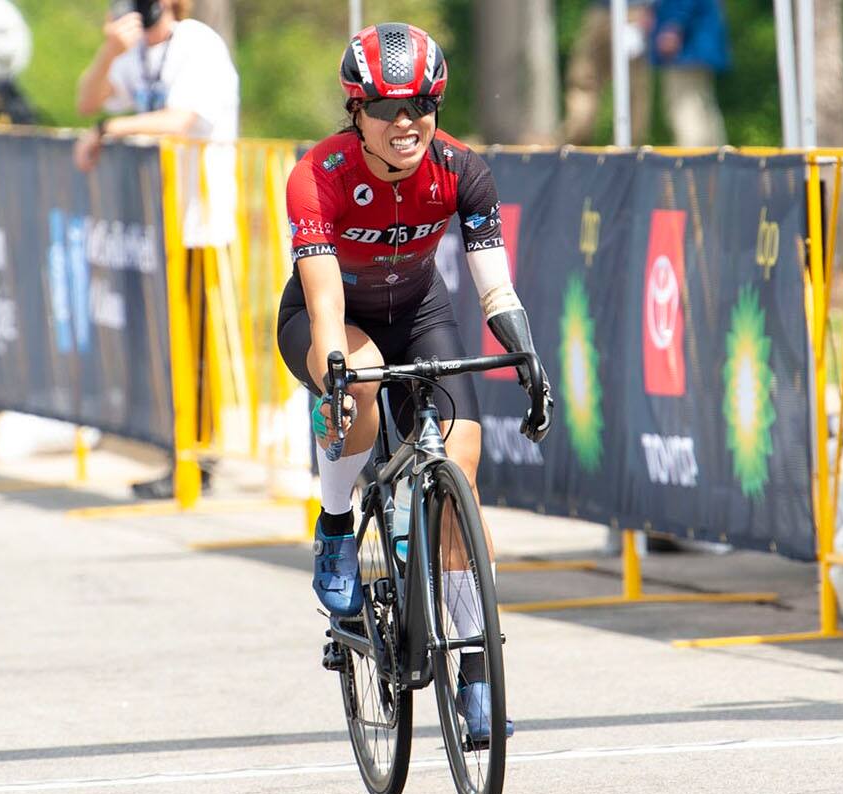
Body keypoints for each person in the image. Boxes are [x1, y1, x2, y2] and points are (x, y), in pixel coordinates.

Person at [279, 23, 552, 742]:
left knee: (460, 466)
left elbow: (495, 287)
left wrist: (524, 354)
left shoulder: (463, 170)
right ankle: (337, 526)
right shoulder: (320, 174)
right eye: (385, 109)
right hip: (332, 315)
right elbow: (324, 293)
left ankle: (477, 677)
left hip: (421, 314)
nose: (406, 124)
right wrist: (336, 362)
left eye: (420, 107)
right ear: (355, 113)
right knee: (361, 384)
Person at [74, 0, 239, 499]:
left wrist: (111, 129)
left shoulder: (197, 43)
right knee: (172, 345)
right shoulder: (136, 53)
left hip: (202, 218)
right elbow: (87, 100)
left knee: (198, 349)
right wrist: (108, 51)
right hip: (163, 222)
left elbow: (183, 118)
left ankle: (198, 460)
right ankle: (181, 456)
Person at [562, 0, 654, 145]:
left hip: (603, 13)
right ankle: (629, 150)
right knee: (633, 89)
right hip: (633, 13)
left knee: (586, 83)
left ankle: (575, 140)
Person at [650, 0, 729, 148]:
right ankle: (717, 160)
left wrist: (673, 26)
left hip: (687, 48)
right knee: (704, 107)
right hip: (701, 42)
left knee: (685, 108)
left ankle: (691, 162)